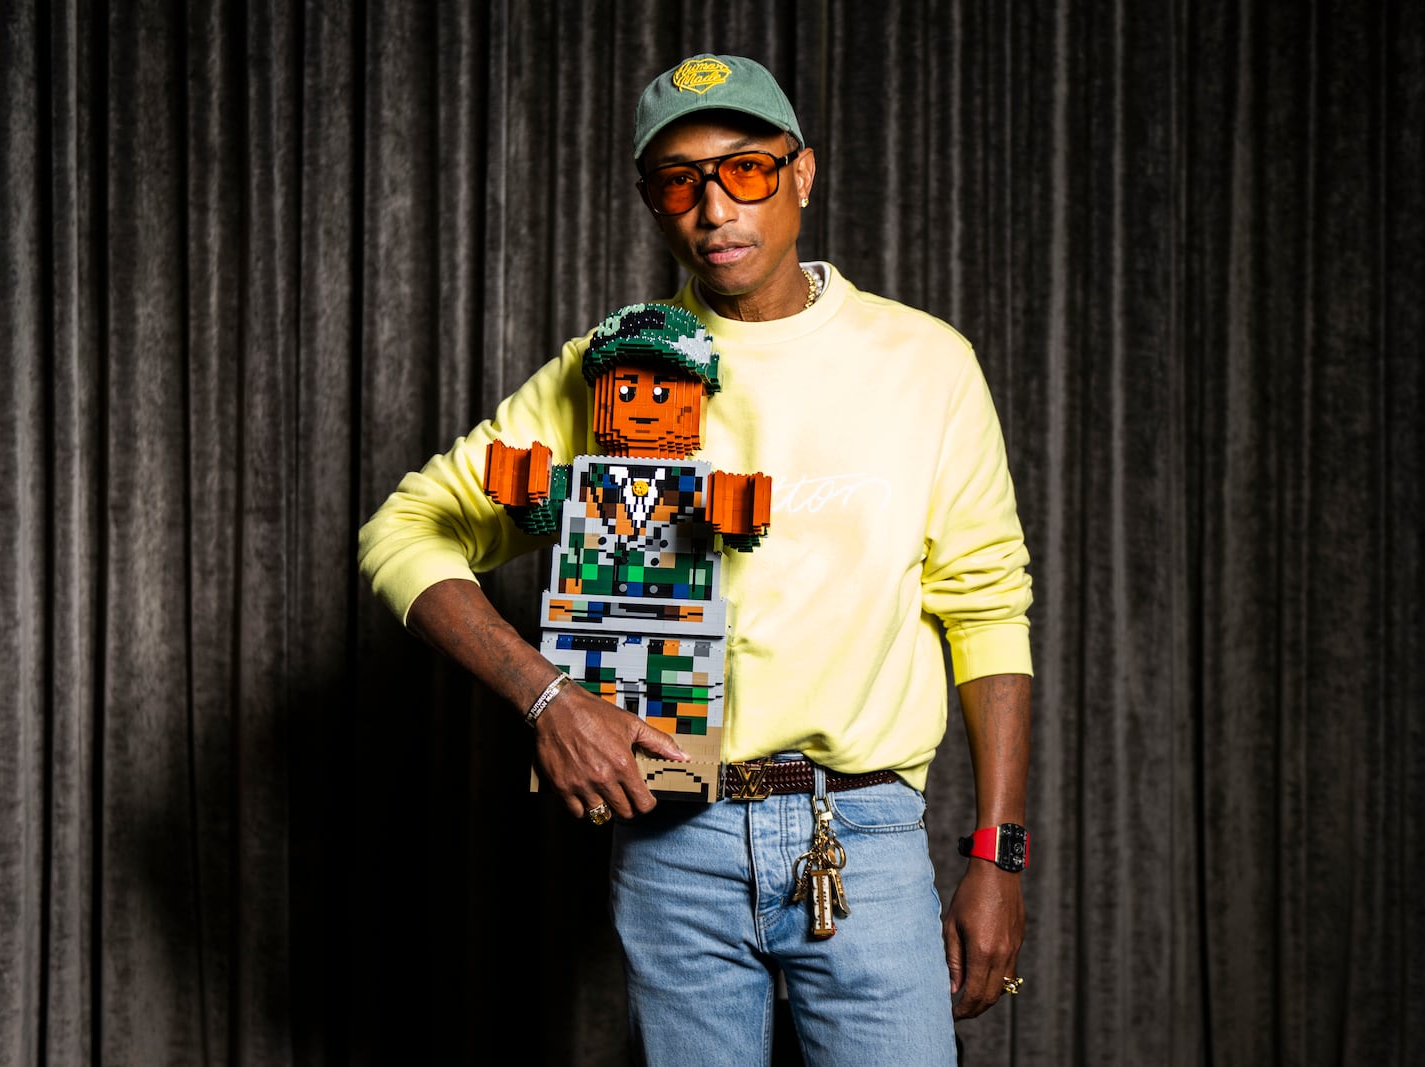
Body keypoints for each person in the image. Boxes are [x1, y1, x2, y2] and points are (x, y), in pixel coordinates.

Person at [358, 52, 1034, 1067]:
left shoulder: (924, 364)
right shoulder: (617, 366)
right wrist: (547, 697)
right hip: (673, 833)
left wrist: (997, 854)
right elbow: (401, 531)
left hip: (863, 832)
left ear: (800, 173)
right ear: (651, 202)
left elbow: (985, 609)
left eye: (746, 170)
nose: (715, 206)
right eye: (680, 181)